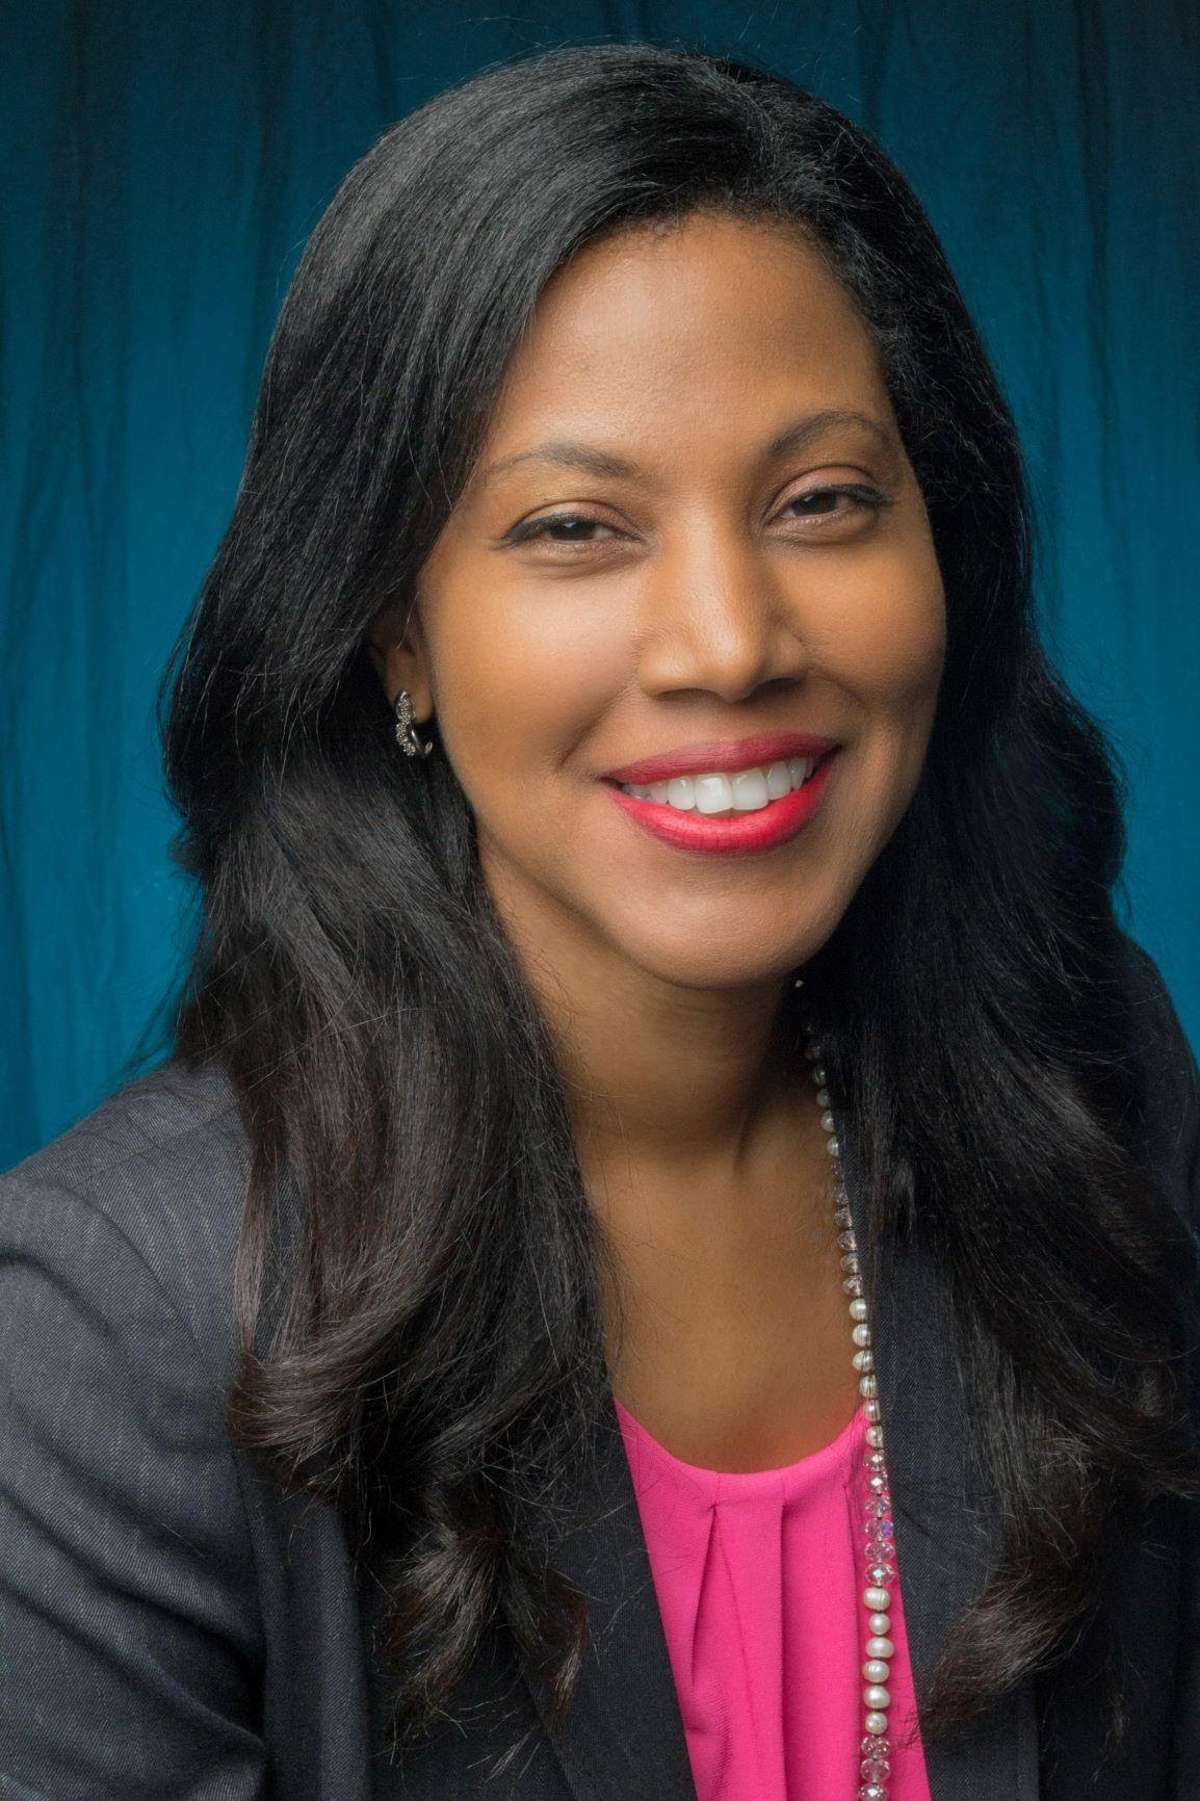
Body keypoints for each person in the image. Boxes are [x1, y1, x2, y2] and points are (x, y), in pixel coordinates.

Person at [2, 39, 1197, 1801]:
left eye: (821, 501)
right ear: (394, 635)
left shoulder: (1092, 1091)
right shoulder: (106, 1324)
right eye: (576, 527)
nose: (730, 641)